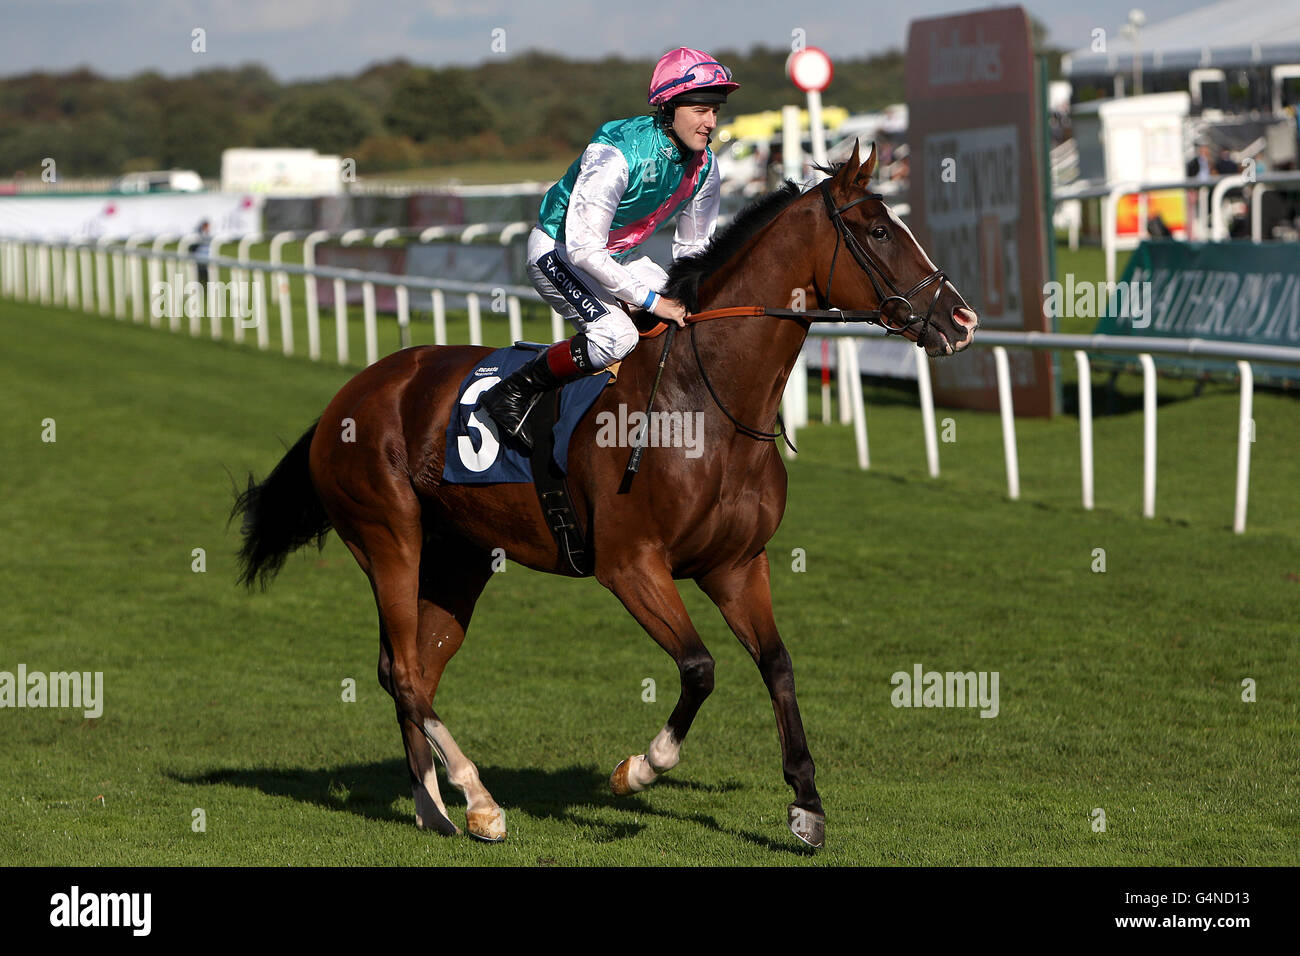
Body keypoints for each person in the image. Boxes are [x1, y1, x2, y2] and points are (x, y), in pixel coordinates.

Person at [479, 47, 738, 451]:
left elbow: (694, 246)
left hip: (618, 254)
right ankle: (511, 392)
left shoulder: (705, 166)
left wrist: (681, 296)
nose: (711, 123)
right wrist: (651, 301)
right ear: (669, 107)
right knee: (616, 335)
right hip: (559, 251)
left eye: (715, 111)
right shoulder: (615, 153)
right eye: (701, 110)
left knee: (689, 312)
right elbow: (584, 250)